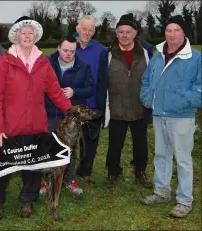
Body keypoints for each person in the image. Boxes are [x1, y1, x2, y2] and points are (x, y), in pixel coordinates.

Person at [0, 16, 72, 220]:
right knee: (4, 165)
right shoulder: (6, 61)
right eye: (23, 32)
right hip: (10, 126)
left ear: (36, 36)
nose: (27, 35)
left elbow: (55, 92)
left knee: (33, 166)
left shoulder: (43, 62)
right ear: (16, 36)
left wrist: (71, 112)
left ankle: (28, 200)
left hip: (36, 125)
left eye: (30, 32)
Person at [140, 15, 201, 218]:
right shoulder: (158, 55)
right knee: (161, 155)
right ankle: (162, 192)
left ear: (184, 32)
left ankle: (184, 200)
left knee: (182, 159)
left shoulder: (195, 57)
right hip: (159, 114)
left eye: (176, 30)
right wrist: (147, 97)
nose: (172, 34)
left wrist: (182, 102)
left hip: (182, 117)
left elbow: (199, 88)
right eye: (168, 30)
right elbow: (147, 79)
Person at [96, 13, 154, 188]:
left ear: (135, 33)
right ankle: (113, 173)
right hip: (116, 108)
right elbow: (101, 82)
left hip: (139, 107)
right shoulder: (107, 55)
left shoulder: (147, 53)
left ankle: (140, 172)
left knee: (140, 144)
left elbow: (153, 79)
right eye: (121, 32)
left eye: (128, 32)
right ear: (116, 33)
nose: (124, 35)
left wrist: (150, 101)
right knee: (114, 144)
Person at [39, 35, 94, 195]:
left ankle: (69, 179)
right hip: (48, 112)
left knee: (69, 148)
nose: (68, 54)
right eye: (65, 50)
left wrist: (74, 91)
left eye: (72, 51)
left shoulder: (83, 67)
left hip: (69, 116)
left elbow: (90, 88)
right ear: (58, 48)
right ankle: (45, 181)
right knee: (47, 147)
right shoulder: (46, 63)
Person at [72, 15, 106, 184]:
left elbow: (104, 77)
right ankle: (66, 171)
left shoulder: (101, 50)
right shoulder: (68, 47)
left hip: (92, 103)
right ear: (77, 28)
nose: (87, 32)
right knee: (68, 137)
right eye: (84, 28)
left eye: (90, 30)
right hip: (70, 103)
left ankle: (85, 170)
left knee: (90, 139)